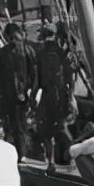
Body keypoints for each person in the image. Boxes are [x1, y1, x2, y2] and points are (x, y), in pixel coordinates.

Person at [35, 24, 77, 172]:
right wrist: (71, 96)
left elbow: (37, 79)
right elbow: (70, 78)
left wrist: (33, 96)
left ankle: (51, 161)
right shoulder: (62, 53)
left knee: (46, 130)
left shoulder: (41, 54)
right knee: (62, 128)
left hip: (48, 96)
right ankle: (74, 158)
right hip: (61, 96)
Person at [0, 22, 39, 156]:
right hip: (7, 95)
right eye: (10, 38)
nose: (13, 41)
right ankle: (11, 153)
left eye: (15, 37)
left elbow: (34, 73)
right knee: (8, 126)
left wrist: (31, 92)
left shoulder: (27, 51)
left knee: (20, 126)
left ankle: (21, 154)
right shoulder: (3, 52)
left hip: (22, 95)